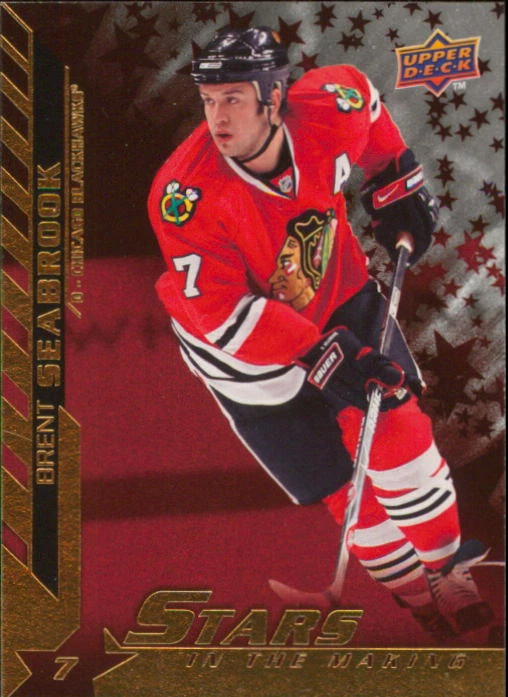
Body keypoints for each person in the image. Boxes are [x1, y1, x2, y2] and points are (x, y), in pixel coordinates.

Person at [148, 26, 494, 639]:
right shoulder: (186, 197)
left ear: (274, 96)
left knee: (395, 421)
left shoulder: (331, 105)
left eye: (233, 98)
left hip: (339, 297)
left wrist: (395, 179)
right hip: (243, 358)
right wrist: (326, 357)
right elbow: (224, 316)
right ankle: (417, 597)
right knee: (341, 483)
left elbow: (371, 111)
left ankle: (446, 572)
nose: (217, 117)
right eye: (209, 100)